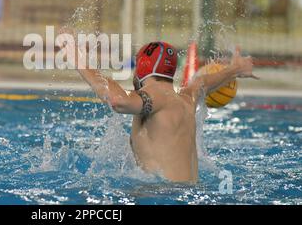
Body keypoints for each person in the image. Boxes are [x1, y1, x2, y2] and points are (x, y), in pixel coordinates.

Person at [62, 38, 258, 183]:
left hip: (161, 195)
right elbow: (202, 82)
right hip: (189, 193)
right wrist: (235, 69)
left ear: (141, 68)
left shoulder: (155, 98)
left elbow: (117, 100)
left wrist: (77, 58)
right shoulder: (186, 98)